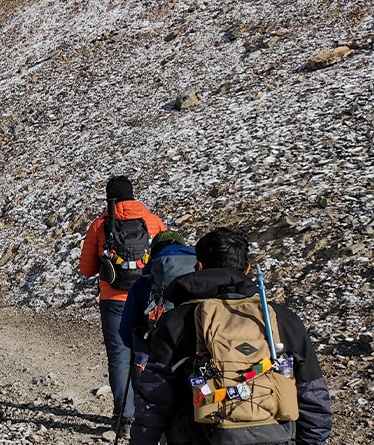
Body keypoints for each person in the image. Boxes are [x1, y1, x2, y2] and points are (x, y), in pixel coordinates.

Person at [132, 228, 333, 445]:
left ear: (199, 267)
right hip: (277, 437)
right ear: (246, 269)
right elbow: (313, 395)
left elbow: (154, 400)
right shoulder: (282, 319)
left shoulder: (175, 321)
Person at [78, 175, 167, 439]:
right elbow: (165, 259)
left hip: (114, 301)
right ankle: (147, 414)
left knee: (119, 357)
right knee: (146, 355)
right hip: (148, 300)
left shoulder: (100, 225)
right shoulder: (152, 221)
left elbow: (86, 269)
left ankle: (124, 418)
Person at [119, 230, 195, 369]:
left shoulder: (144, 283)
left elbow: (126, 330)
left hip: (153, 360)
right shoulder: (200, 277)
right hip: (193, 357)